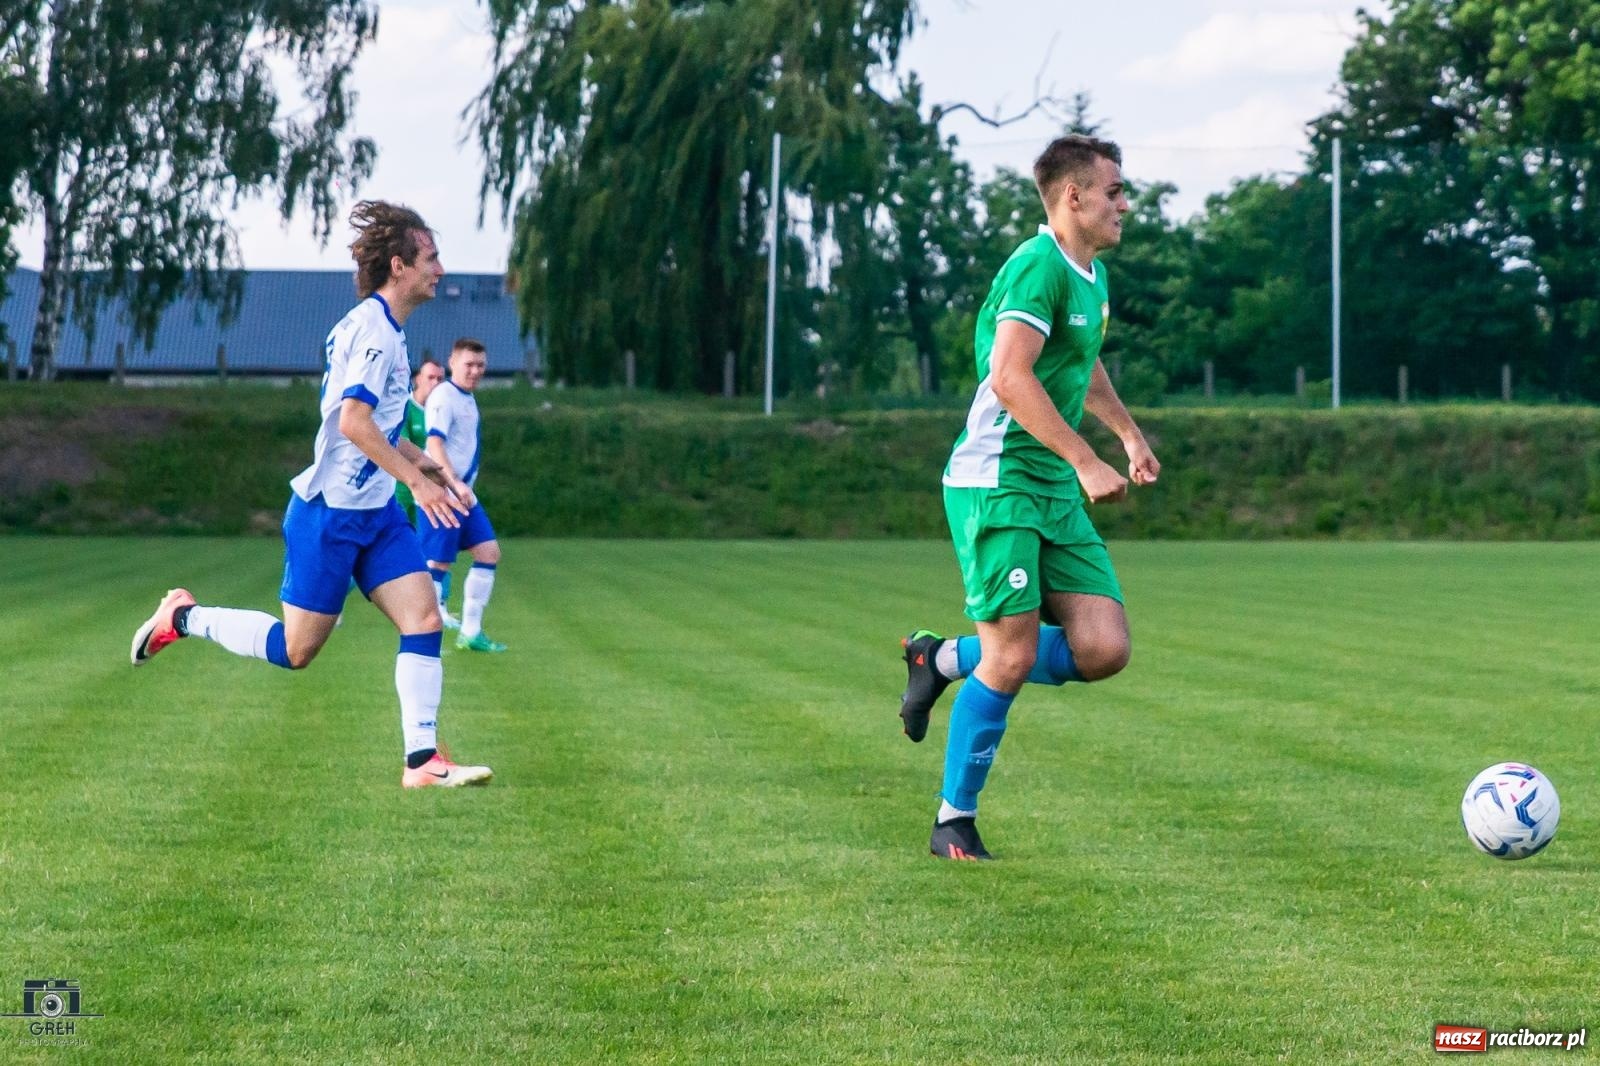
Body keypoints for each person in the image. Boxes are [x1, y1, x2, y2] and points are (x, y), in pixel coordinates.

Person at [130, 200, 493, 789]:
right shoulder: (374, 332)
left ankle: (422, 763)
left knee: (424, 617)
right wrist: (415, 483)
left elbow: (379, 427)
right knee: (295, 651)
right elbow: (352, 423)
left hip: (375, 514)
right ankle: (184, 616)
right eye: (431, 258)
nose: (440, 269)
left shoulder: (386, 329)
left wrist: (426, 464)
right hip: (329, 516)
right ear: (399, 265)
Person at [899, 134, 1160, 861]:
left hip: (1050, 487)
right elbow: (1011, 376)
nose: (1124, 204)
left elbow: (1084, 364)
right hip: (999, 482)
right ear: (1073, 196)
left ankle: (941, 660)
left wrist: (1128, 436)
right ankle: (953, 821)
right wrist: (1084, 460)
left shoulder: (1089, 276)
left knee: (1103, 647)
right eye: (1114, 191)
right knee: (1010, 659)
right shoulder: (1036, 266)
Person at [421, 338, 506, 653]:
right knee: (438, 563)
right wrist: (454, 483)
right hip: (443, 494)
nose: (475, 371)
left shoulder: (466, 398)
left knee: (488, 552)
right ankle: (424, 637)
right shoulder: (444, 396)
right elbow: (434, 443)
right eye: (469, 364)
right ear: (452, 363)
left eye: (480, 365)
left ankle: (471, 632)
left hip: (464, 495)